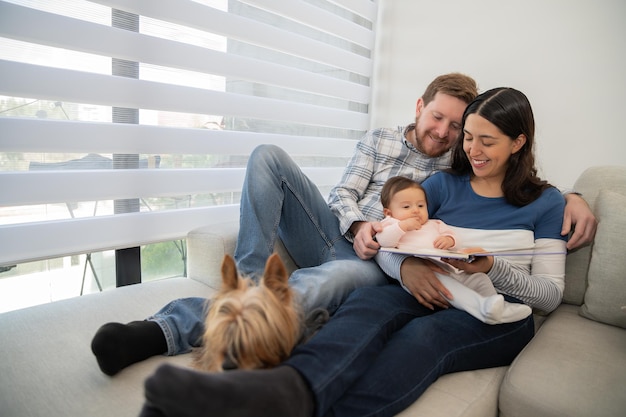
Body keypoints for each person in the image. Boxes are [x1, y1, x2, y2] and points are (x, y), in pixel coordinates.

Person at [91, 74, 596, 376]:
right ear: (420, 107)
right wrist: (359, 228)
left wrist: (570, 195)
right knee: (268, 155)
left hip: (385, 264)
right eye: (438, 118)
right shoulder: (379, 140)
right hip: (344, 235)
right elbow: (342, 196)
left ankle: (165, 330)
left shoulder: (456, 170)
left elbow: (510, 175)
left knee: (323, 282)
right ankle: (245, 287)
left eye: (458, 128)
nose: (446, 134)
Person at [375, 175, 532, 324]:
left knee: (479, 278)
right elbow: (384, 241)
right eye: (407, 206)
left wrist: (449, 240)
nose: (416, 210)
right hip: (424, 274)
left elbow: (456, 239)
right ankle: (483, 309)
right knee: (450, 288)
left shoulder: (435, 224)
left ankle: (496, 304)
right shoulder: (390, 224)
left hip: (451, 269)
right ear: (389, 212)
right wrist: (402, 227)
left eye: (421, 205)